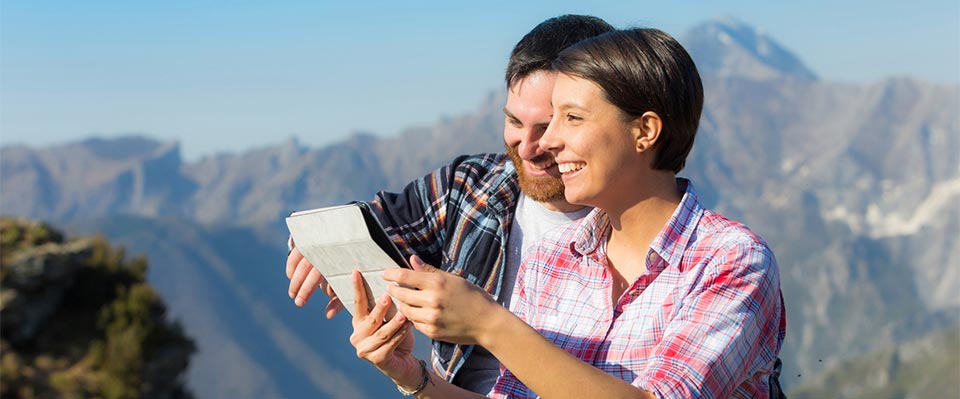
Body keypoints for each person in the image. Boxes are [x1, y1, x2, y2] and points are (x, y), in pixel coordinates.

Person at [355, 27, 786, 398]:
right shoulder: (551, 259)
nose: (549, 142)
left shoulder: (731, 260)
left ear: (645, 131)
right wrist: (415, 378)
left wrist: (489, 323)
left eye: (572, 118)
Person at [286, 15, 615, 394]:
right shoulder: (472, 186)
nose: (526, 148)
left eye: (547, 127)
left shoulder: (632, 227)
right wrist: (321, 247)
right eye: (514, 121)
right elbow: (376, 221)